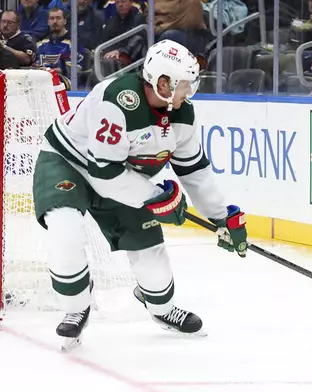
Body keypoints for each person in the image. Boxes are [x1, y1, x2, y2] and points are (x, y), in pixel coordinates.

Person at [32, 39, 248, 350]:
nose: (190, 92)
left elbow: (193, 170)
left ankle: (160, 308)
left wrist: (222, 216)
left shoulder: (182, 115)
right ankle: (76, 306)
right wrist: (156, 198)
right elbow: (103, 173)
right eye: (185, 84)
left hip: (125, 178)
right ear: (163, 82)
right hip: (68, 163)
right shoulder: (117, 100)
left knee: (153, 261)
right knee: (66, 229)